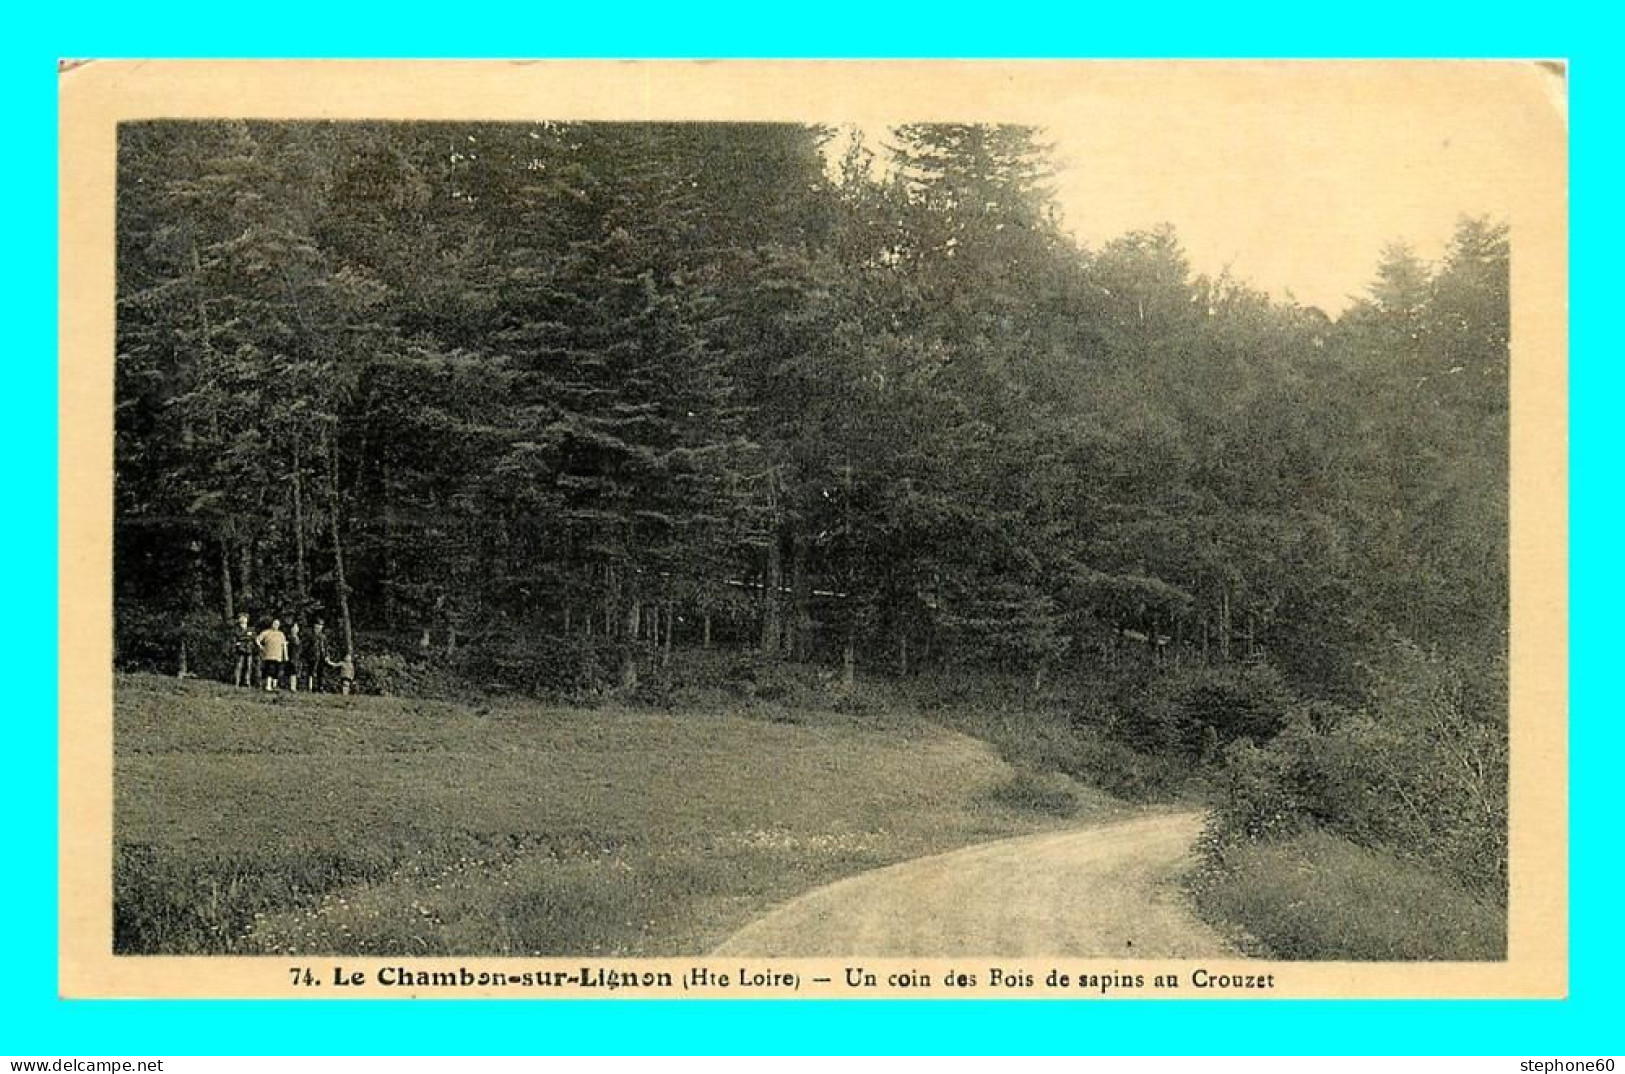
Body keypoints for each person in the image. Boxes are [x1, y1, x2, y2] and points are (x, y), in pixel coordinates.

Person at [257, 618, 288, 691]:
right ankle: (268, 686)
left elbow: (284, 645)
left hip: (278, 656)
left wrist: (285, 655)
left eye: (277, 624)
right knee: (269, 670)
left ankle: (274, 686)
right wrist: (261, 647)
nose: (276, 625)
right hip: (269, 655)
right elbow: (257, 639)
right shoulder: (266, 632)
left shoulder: (281, 634)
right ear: (272, 624)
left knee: (276, 672)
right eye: (274, 623)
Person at [229, 613, 255, 687]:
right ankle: (237, 681)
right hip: (240, 650)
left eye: (245, 618)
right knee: (239, 665)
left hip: (249, 649)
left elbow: (253, 638)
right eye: (242, 618)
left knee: (249, 666)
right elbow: (236, 638)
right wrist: (240, 641)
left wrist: (248, 639)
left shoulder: (251, 629)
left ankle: (247, 682)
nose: (244, 619)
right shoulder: (236, 629)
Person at [309, 620, 331, 692]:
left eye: (320, 626)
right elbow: (308, 647)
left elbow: (326, 647)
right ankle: (313, 687)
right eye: (317, 626)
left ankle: (321, 687)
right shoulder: (311, 636)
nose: (318, 628)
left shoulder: (323, 637)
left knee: (321, 672)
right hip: (313, 657)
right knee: (313, 672)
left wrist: (327, 656)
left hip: (322, 656)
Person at [284, 622, 305, 692]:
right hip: (291, 656)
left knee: (296, 672)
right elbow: (286, 647)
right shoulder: (288, 637)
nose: (295, 629)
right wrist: (286, 656)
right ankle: (291, 687)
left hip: (297, 657)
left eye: (296, 628)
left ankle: (294, 687)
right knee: (291, 671)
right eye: (293, 628)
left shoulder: (299, 638)